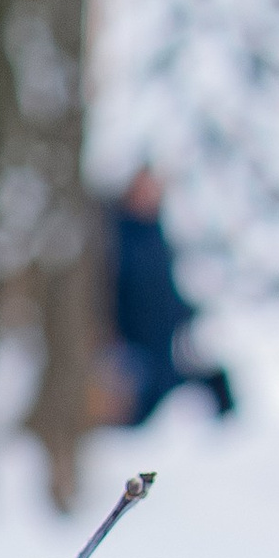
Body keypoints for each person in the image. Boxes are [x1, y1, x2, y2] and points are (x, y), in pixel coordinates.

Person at [105, 166, 238, 426]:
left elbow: (165, 290)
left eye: (155, 189)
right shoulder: (116, 233)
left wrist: (189, 311)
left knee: (218, 383)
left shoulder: (155, 232)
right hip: (134, 348)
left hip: (166, 346)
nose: (150, 195)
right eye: (145, 188)